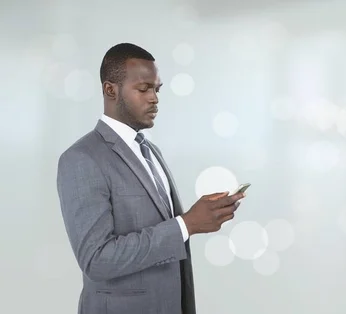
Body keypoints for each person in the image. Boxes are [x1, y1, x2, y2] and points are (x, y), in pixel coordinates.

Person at [56, 42, 245, 314]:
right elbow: (96, 260)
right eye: (144, 89)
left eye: (157, 89)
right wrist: (186, 225)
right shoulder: (82, 158)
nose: (154, 98)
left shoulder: (149, 150)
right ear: (110, 90)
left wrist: (204, 215)